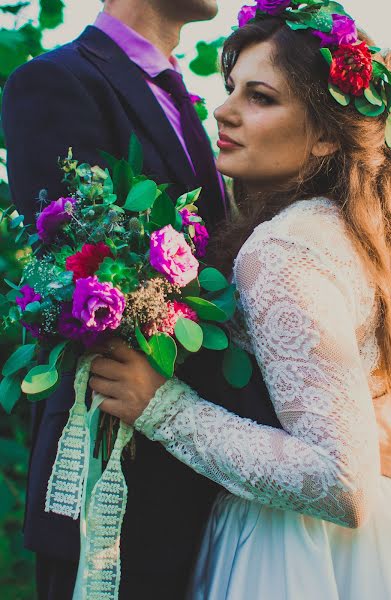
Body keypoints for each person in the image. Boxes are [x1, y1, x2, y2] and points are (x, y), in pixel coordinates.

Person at [90, 3, 391, 599]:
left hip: (291, 553)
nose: (224, 109)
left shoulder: (283, 249)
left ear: (323, 139)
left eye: (260, 97)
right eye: (232, 88)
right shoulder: (361, 232)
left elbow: (339, 480)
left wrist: (162, 408)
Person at [1, 1, 247, 598]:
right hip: (110, 471)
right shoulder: (56, 80)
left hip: (212, 480)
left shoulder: (192, 103)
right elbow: (77, 279)